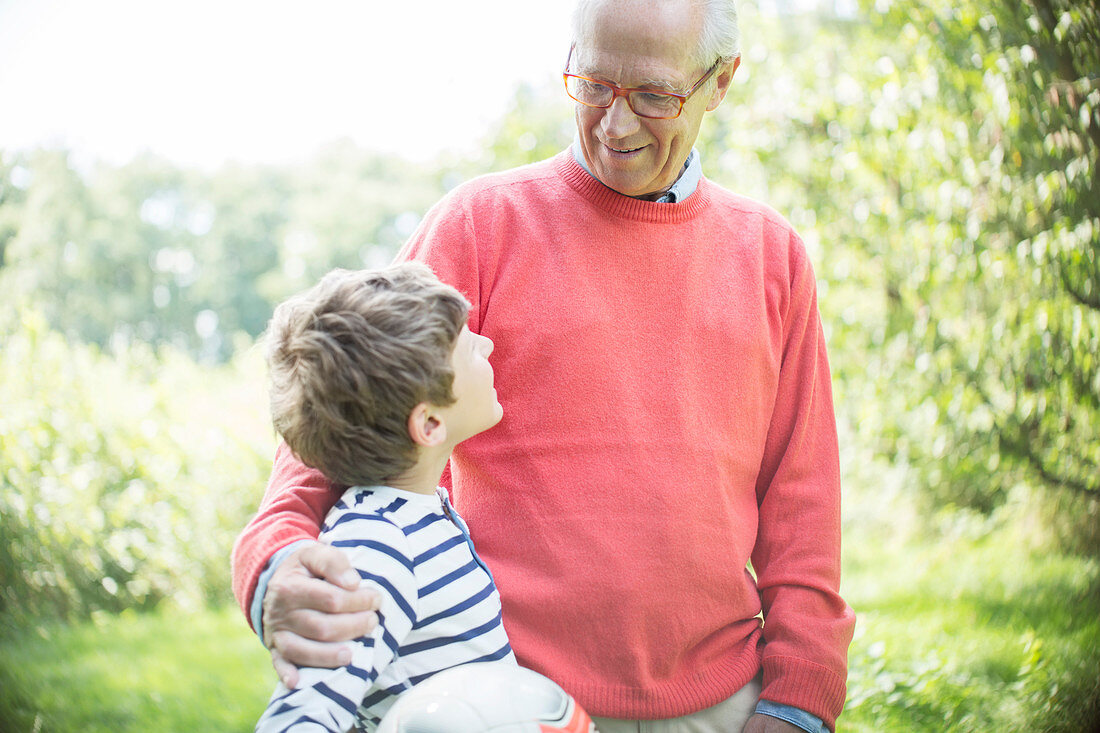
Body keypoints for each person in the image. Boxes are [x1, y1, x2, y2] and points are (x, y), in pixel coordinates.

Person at [232, 0, 856, 731]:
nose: (614, 125)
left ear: (720, 82)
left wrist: (798, 700)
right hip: (502, 699)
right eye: (592, 84)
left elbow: (802, 502)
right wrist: (274, 560)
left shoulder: (770, 255)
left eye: (653, 95)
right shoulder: (480, 224)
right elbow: (345, 410)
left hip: (722, 702)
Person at [253, 263, 513, 732]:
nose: (488, 344)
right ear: (429, 424)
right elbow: (299, 717)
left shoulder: (420, 514)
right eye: (469, 347)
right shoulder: (378, 547)